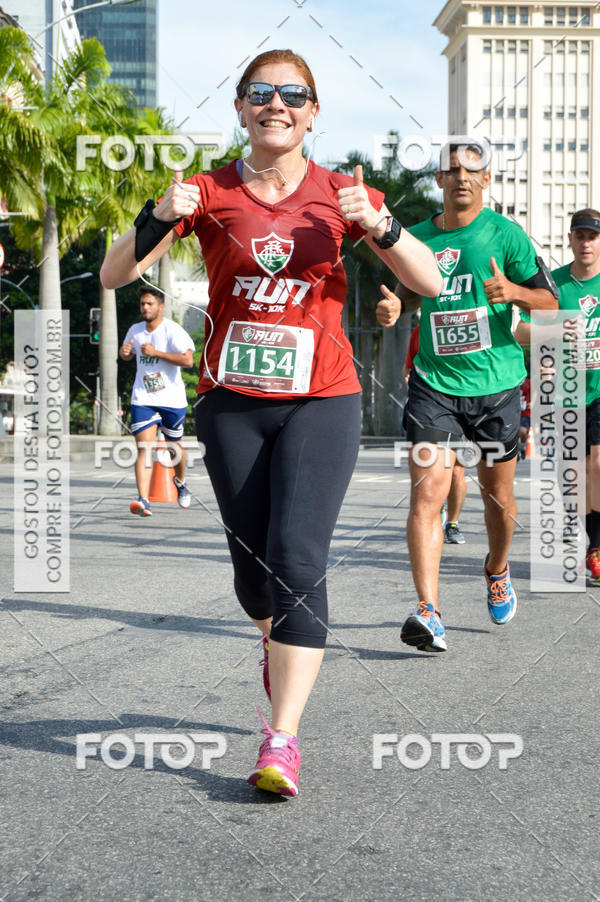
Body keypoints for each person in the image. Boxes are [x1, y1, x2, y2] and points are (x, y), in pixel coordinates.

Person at [101, 49, 442, 796]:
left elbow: (429, 279)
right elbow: (114, 274)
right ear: (242, 107)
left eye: (294, 95)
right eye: (262, 93)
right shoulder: (208, 192)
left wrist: (379, 226)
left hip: (324, 398)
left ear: (313, 112)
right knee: (255, 576)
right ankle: (274, 632)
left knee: (295, 559)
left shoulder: (343, 192)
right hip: (233, 403)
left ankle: (280, 736)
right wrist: (158, 214)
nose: (277, 104)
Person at [377, 142, 558, 653]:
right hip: (434, 385)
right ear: (438, 178)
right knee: (428, 492)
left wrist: (516, 294)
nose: (461, 177)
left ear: (487, 179)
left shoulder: (506, 234)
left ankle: (496, 569)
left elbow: (551, 302)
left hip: (497, 386)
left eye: (471, 170)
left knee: (498, 501)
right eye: (452, 169)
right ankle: (428, 610)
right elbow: (412, 291)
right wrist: (396, 307)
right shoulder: (421, 237)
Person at [552, 209, 600, 581]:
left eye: (593, 236)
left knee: (597, 465)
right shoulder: (552, 285)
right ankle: (589, 541)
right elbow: (526, 332)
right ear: (570, 239)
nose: (586, 243)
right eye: (580, 236)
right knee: (573, 476)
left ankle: (596, 547)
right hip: (566, 393)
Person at [119, 285, 194, 517]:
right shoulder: (135, 330)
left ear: (160, 306)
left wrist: (156, 353)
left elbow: (188, 360)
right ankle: (143, 500)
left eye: (150, 303)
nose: (145, 308)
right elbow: (126, 355)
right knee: (144, 448)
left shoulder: (173, 330)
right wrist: (125, 352)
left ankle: (180, 483)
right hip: (144, 398)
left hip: (172, 399)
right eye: (142, 303)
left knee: (174, 448)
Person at [403, 322, 467, 544]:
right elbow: (408, 371)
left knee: (458, 471)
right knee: (432, 472)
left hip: (470, 401)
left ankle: (453, 523)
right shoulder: (420, 332)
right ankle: (431, 513)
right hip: (433, 404)